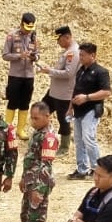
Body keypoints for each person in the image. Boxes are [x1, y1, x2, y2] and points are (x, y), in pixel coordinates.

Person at [11, 102, 60, 222]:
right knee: (25, 213)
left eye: (36, 118)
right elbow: (31, 159)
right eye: (31, 118)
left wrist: (38, 189)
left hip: (40, 182)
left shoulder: (49, 137)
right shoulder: (37, 133)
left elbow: (45, 165)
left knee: (36, 216)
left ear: (48, 116)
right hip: (31, 180)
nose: (33, 121)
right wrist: (24, 178)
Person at [68, 42, 112, 180]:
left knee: (88, 138)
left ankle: (96, 167)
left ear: (92, 55)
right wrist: (70, 108)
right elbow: (75, 90)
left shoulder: (101, 72)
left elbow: (106, 92)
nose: (80, 57)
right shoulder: (81, 70)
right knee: (79, 140)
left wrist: (87, 98)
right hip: (78, 110)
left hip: (91, 109)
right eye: (79, 54)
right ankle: (82, 169)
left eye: (83, 55)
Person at [0, 12, 41, 130]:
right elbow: (5, 55)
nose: (29, 31)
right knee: (12, 102)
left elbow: (38, 55)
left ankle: (20, 129)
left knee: (25, 103)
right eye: (27, 28)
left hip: (29, 75)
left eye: (31, 28)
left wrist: (34, 57)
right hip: (15, 75)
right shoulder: (11, 36)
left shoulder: (33, 37)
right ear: (21, 24)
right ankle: (7, 128)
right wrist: (19, 56)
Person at [43, 25, 80, 153]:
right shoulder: (67, 51)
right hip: (55, 91)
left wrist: (50, 71)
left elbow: (68, 73)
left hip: (64, 93)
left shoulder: (73, 53)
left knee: (63, 119)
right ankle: (43, 135)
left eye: (59, 40)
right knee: (42, 108)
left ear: (67, 37)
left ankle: (64, 146)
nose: (57, 42)